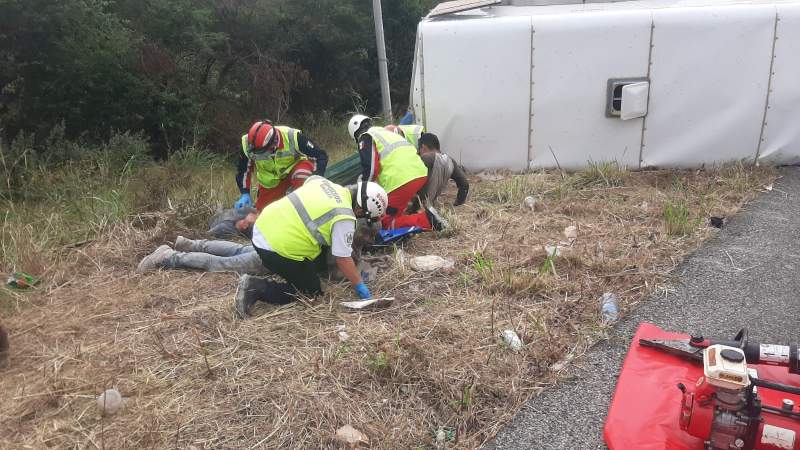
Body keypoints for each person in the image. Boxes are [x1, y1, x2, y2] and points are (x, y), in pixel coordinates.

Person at [233, 176, 388, 318]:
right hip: (275, 247)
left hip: (262, 225)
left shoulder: (323, 183)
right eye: (364, 217)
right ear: (360, 210)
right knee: (311, 291)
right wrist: (360, 286)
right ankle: (255, 287)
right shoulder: (344, 216)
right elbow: (343, 258)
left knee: (318, 255)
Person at [348, 114, 446, 231]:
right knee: (394, 212)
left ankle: (428, 220)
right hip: (420, 172)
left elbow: (371, 169)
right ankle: (416, 218)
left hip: (401, 181)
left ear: (356, 134)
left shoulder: (365, 137)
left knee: (385, 222)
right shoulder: (386, 132)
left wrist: (362, 190)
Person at [234, 120, 328, 210]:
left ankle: (308, 205)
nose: (259, 155)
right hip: (271, 182)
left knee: (302, 174)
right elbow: (243, 170)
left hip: (294, 171)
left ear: (273, 144)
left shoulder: (292, 137)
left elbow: (320, 156)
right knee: (264, 213)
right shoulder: (247, 144)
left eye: (262, 152)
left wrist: (316, 179)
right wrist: (244, 193)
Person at [417, 133, 469, 207]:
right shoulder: (450, 161)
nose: (419, 153)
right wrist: (458, 204)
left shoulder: (426, 158)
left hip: (418, 208)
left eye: (419, 150)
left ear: (423, 147)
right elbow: (464, 184)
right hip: (431, 207)